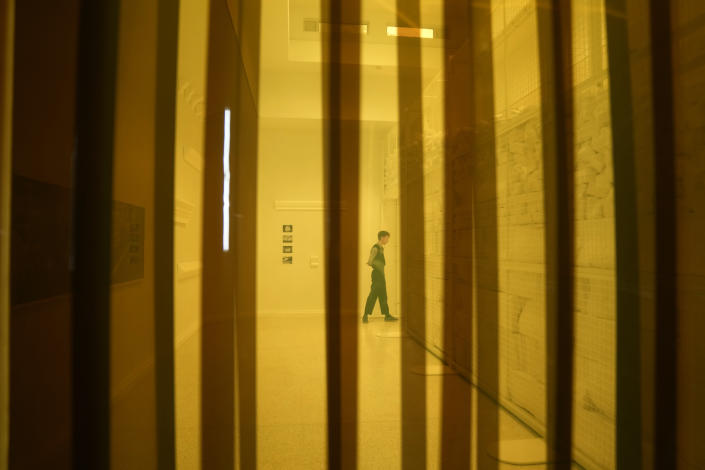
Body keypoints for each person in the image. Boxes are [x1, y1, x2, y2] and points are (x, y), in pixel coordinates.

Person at [362, 230, 398, 323]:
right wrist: (377, 265)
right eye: (387, 238)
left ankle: (387, 315)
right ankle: (365, 315)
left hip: (381, 275)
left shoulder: (381, 248)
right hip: (377, 275)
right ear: (382, 238)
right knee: (373, 295)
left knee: (383, 295)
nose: (388, 240)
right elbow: (370, 261)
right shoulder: (375, 248)